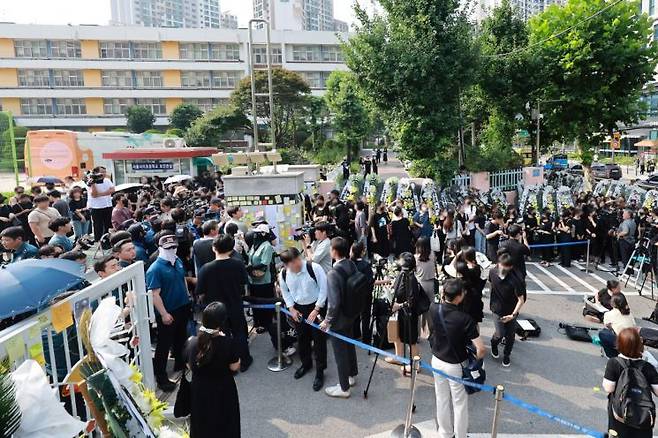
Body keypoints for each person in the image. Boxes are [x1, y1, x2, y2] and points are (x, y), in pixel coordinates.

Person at [430, 279, 485, 438]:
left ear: (443, 294)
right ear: (459, 297)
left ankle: (445, 433)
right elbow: (481, 348)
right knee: (459, 403)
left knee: (441, 398)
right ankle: (460, 435)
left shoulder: (434, 308)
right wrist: (477, 362)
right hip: (456, 364)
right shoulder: (465, 319)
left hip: (436, 360)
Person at [197, 234, 253, 372]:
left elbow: (200, 291)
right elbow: (243, 283)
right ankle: (244, 360)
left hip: (216, 310)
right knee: (240, 333)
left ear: (214, 248)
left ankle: (227, 364)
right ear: (231, 248)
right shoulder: (238, 264)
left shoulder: (206, 268)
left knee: (222, 336)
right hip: (235, 304)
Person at [187, 302, 241, 438]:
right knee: (226, 426)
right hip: (223, 392)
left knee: (202, 427)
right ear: (221, 322)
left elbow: (189, 365)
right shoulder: (228, 343)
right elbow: (235, 366)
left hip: (199, 393)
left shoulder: (192, 342)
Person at [146, 234, 192, 392]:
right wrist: (164, 314)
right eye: (168, 248)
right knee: (164, 346)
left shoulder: (177, 261)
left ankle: (180, 363)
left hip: (182, 307)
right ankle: (161, 377)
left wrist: (187, 296)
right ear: (160, 249)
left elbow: (182, 279)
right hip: (168, 311)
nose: (172, 250)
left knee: (181, 338)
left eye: (174, 247)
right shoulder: (155, 269)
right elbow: (154, 294)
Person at [279, 247, 328, 391]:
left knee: (319, 340)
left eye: (291, 264)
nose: (290, 267)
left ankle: (320, 371)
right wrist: (291, 309)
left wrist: (317, 309)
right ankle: (306, 364)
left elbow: (324, 289)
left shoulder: (314, 268)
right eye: (287, 265)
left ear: (298, 259)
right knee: (302, 338)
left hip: (316, 306)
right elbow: (285, 292)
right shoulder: (284, 273)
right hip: (298, 309)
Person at [320, 237, 359, 398]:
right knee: (349, 347)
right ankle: (351, 376)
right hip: (351, 313)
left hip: (339, 319)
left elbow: (333, 303)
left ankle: (344, 388)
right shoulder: (351, 264)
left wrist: (327, 321)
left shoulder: (333, 273)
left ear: (334, 252)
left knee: (340, 354)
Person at [603, 327, 658, 438]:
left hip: (620, 414)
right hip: (642, 415)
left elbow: (609, 388)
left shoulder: (614, 363)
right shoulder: (647, 367)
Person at [489, 253, 525, 367]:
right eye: (501, 265)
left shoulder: (515, 280)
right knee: (500, 334)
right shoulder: (492, 272)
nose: (502, 268)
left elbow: (521, 300)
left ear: (510, 267)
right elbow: (491, 284)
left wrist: (513, 315)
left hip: (511, 311)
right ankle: (494, 345)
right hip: (497, 309)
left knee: (510, 335)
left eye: (505, 267)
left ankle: (506, 355)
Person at [389, 252, 421, 374]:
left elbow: (412, 301)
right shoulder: (402, 275)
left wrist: (399, 305)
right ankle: (398, 357)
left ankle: (416, 365)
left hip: (409, 313)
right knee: (398, 336)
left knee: (411, 341)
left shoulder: (412, 279)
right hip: (400, 312)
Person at [247, 224, 276, 332]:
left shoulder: (267, 246)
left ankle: (266, 324)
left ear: (263, 234)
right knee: (255, 303)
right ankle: (257, 322)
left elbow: (265, 263)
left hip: (263, 281)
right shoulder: (255, 245)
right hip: (253, 279)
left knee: (264, 303)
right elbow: (250, 256)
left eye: (257, 233)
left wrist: (250, 267)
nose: (255, 235)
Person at [414, 236, 437, 336]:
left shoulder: (416, 257)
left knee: (418, 309)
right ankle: (431, 332)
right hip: (431, 284)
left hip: (420, 284)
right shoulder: (432, 255)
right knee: (429, 309)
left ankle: (418, 334)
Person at [88, 166, 115, 241]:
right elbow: (94, 194)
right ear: (96, 173)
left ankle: (108, 240)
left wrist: (101, 194)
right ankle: (99, 241)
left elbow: (112, 190)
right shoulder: (91, 181)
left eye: (104, 172)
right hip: (96, 207)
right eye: (102, 172)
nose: (104, 173)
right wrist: (93, 183)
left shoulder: (107, 180)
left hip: (108, 205)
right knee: (98, 226)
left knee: (108, 225)